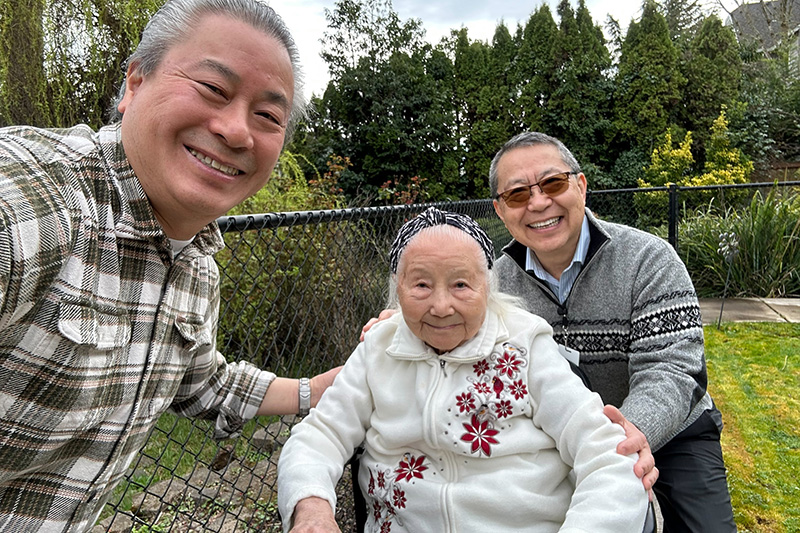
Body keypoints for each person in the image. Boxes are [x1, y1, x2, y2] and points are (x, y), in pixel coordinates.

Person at [0, 0, 339, 530]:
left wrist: (317, 390)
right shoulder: (42, 204)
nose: (237, 131)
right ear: (135, 83)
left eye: (268, 116)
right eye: (213, 88)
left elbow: (202, 381)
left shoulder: (198, 267)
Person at [278, 207, 648, 533]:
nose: (441, 306)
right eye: (421, 284)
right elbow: (319, 436)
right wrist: (311, 510)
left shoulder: (525, 347)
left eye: (460, 284)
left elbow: (608, 457)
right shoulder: (379, 348)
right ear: (397, 289)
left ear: (487, 286)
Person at [489, 132, 736, 532]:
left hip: (670, 429)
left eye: (553, 183)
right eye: (517, 194)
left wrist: (624, 440)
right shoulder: (492, 286)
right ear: (500, 210)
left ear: (581, 185)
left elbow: (672, 369)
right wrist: (399, 328)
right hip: (557, 437)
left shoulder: (649, 259)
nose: (537, 202)